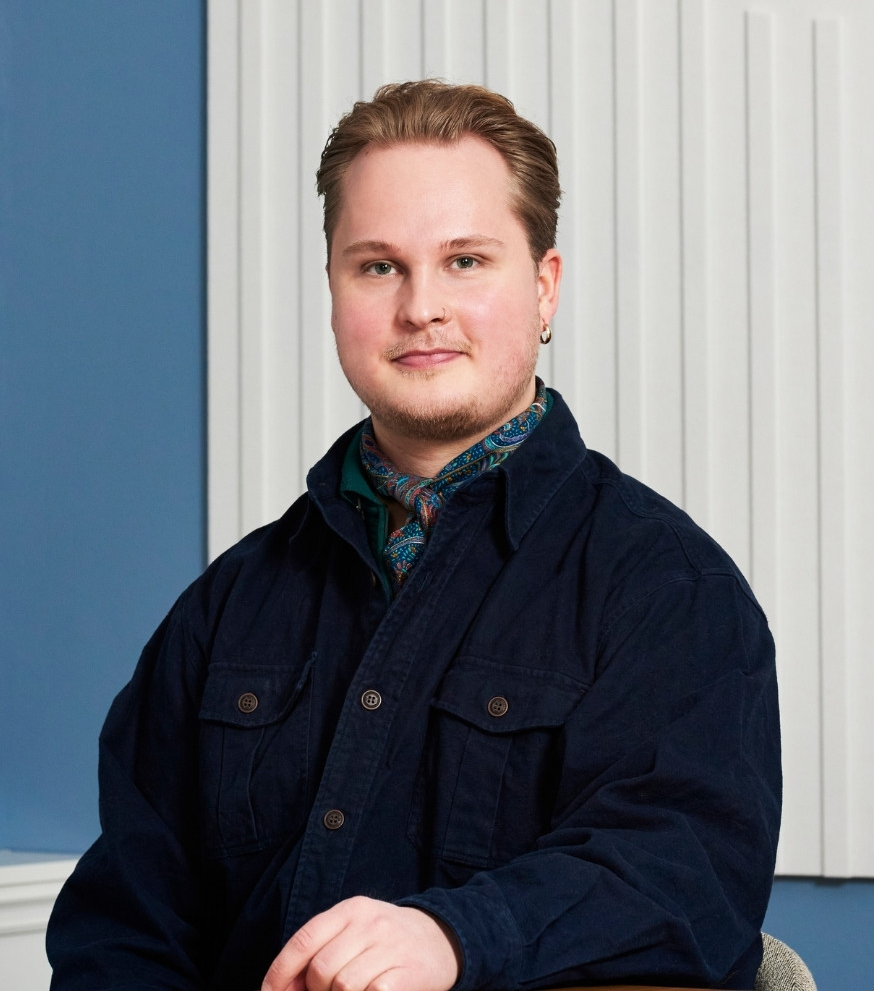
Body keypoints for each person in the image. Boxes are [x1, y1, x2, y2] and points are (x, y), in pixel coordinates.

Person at [47, 80, 781, 991]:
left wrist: (455, 938)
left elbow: (681, 879)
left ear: (544, 288)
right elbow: (125, 925)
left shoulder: (669, 590)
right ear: (332, 291)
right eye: (378, 266)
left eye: (466, 261)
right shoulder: (228, 605)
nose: (421, 307)